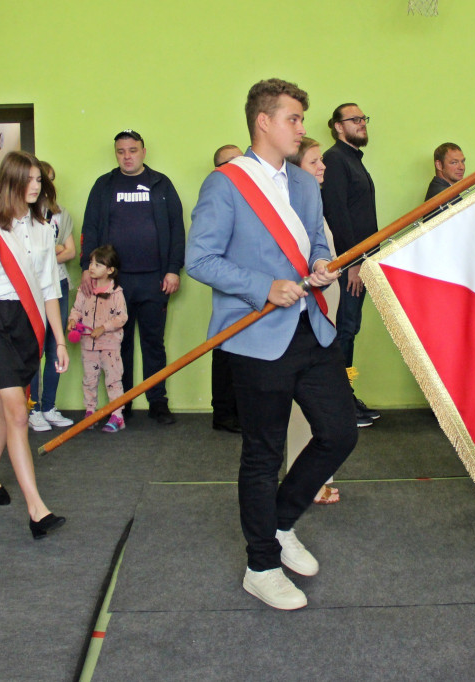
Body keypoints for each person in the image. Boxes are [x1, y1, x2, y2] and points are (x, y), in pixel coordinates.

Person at [187, 78, 358, 610]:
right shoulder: (226, 184)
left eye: (301, 120)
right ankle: (260, 564)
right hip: (255, 337)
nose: (302, 129)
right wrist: (263, 286)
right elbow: (200, 259)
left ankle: (280, 524)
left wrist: (321, 266)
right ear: (264, 121)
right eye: (293, 119)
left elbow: (316, 243)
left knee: (339, 432)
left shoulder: (306, 184)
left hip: (310, 328)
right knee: (262, 454)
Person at [0, 150, 68, 540]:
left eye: (40, 180)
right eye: (30, 180)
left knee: (5, 409)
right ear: (11, 182)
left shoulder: (44, 228)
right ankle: (37, 510)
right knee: (19, 413)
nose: (36, 187)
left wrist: (59, 340)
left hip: (29, 323)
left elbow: (49, 288)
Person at [80, 130, 185, 425]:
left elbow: (177, 229)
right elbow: (90, 226)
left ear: (143, 151)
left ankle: (157, 402)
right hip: (114, 284)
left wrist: (173, 269)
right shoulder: (104, 186)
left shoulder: (161, 184)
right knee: (116, 344)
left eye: (132, 150)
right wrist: (89, 268)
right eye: (121, 151)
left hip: (154, 280)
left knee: (153, 342)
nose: (127, 156)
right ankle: (120, 403)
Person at [286, 136, 342, 505]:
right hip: (305, 310)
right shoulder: (292, 211)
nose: (322, 167)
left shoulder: (314, 203)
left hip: (325, 307)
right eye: (313, 162)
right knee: (300, 408)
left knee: (322, 407)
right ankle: (302, 479)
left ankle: (316, 476)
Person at [321, 102, 380, 428]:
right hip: (349, 268)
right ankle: (340, 403)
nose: (361, 123)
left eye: (363, 118)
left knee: (349, 332)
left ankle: (347, 394)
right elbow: (337, 215)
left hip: (361, 264)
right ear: (337, 126)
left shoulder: (352, 160)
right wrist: (352, 263)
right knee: (343, 332)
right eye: (354, 120)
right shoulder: (335, 161)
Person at [27, 161, 77, 432]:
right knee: (33, 350)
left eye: (46, 179)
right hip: (31, 290)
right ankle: (32, 408)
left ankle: (49, 406)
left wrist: (50, 253)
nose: (41, 185)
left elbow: (70, 252)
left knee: (55, 347)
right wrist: (52, 251)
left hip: (58, 285)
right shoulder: (21, 216)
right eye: (36, 179)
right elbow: (29, 259)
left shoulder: (60, 214)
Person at [68, 245, 128, 432]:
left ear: (110, 270)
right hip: (88, 345)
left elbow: (121, 317)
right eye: (91, 263)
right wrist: (72, 320)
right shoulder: (84, 289)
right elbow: (77, 309)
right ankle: (90, 412)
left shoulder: (116, 292)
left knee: (113, 379)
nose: (92, 267)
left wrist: (103, 328)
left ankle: (117, 415)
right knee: (89, 379)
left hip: (109, 345)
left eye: (98, 264)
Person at [209, 144, 245, 433]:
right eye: (230, 162)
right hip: (229, 285)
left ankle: (240, 411)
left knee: (246, 352)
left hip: (255, 287)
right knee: (224, 348)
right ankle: (222, 413)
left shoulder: (260, 195)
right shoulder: (217, 196)